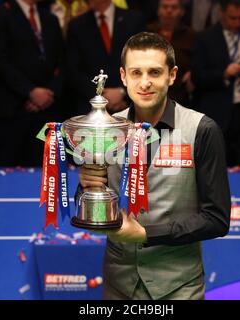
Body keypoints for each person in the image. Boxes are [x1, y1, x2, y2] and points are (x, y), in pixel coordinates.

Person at [78, 32, 231, 300]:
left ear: (171, 76)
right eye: (136, 73)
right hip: (118, 284)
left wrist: (145, 234)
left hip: (179, 286)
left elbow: (216, 220)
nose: (145, 82)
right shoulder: (104, 129)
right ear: (123, 77)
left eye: (155, 72)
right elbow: (88, 202)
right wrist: (86, 187)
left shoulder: (202, 129)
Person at [0, 0, 65, 166]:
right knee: (6, 178)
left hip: (46, 112)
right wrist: (30, 92)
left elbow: (62, 62)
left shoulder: (50, 18)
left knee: (43, 175)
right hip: (11, 113)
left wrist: (50, 92)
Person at [191, 0, 240, 167]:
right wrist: (225, 74)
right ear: (221, 12)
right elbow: (197, 77)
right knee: (215, 168)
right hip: (216, 114)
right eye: (232, 18)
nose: (237, 23)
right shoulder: (204, 38)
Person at [65, 0, 145, 115]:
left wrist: (122, 91)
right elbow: (73, 69)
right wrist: (101, 96)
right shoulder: (76, 25)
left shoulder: (134, 20)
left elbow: (142, 61)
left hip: (131, 104)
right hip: (90, 108)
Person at [148, 0, 196, 107]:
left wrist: (193, 72)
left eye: (174, 8)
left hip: (181, 96)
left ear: (182, 11)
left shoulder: (191, 36)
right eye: (165, 7)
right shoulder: (147, 33)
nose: (169, 11)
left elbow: (198, 61)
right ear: (158, 10)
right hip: (150, 91)